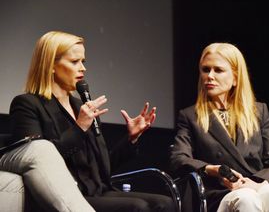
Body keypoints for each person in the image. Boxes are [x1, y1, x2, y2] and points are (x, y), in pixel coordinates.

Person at [9, 31, 175, 212]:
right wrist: (79, 128)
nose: (83, 68)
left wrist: (131, 139)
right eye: (74, 62)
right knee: (138, 208)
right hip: (65, 196)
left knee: (165, 203)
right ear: (51, 65)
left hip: (99, 191)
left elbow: (103, 169)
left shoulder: (82, 105)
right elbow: (40, 161)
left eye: (83, 61)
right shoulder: (27, 105)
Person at [169, 43, 269, 211]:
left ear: (235, 77)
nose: (209, 76)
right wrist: (213, 169)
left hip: (259, 185)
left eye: (218, 70)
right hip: (220, 192)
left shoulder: (259, 112)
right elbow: (179, 159)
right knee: (246, 198)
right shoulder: (190, 116)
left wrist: (254, 183)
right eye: (205, 70)